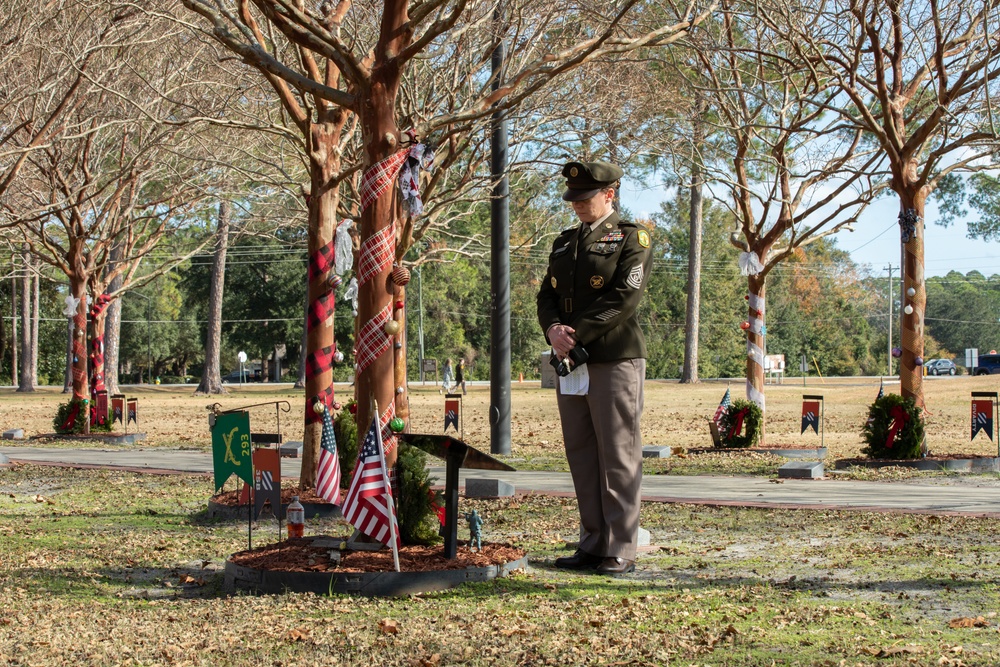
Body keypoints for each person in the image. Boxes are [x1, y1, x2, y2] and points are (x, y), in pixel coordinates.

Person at [536, 160, 652, 576]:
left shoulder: (631, 238)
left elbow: (624, 297)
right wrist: (553, 330)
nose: (579, 206)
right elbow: (545, 296)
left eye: (586, 198)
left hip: (614, 358)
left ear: (610, 194)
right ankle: (592, 542)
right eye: (574, 200)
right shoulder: (565, 242)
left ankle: (621, 546)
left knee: (618, 454)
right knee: (582, 453)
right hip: (571, 360)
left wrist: (575, 333)